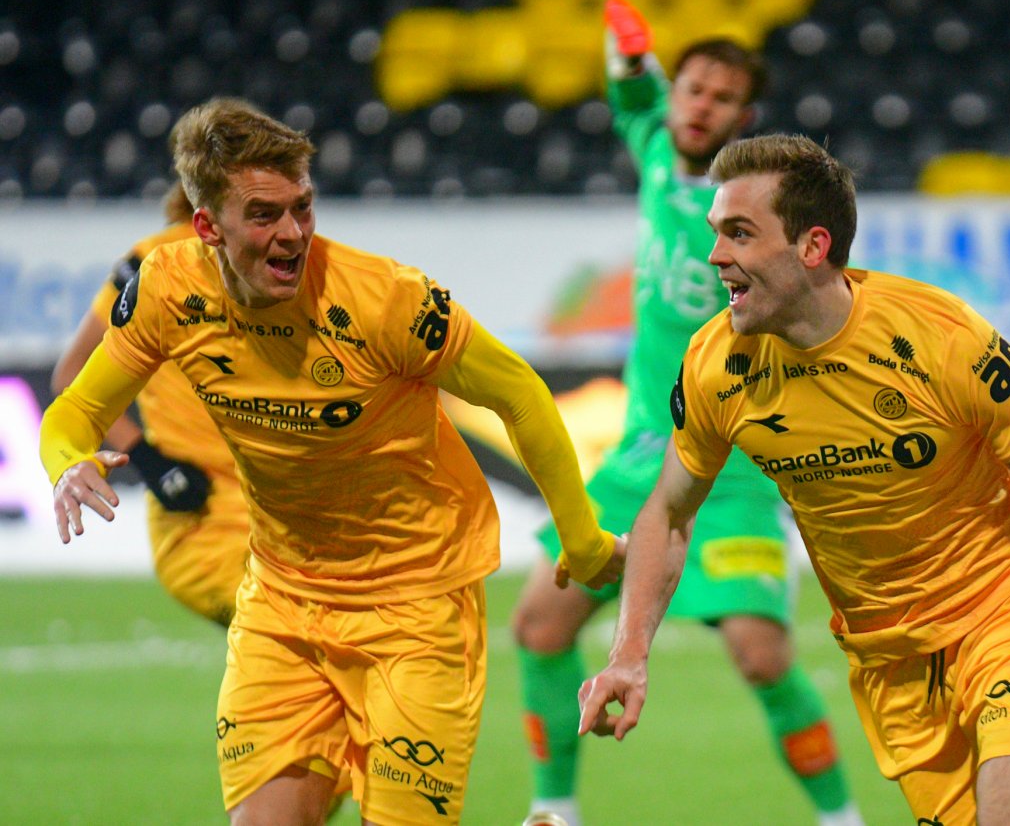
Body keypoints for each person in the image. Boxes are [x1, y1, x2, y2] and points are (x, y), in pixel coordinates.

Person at [40, 98, 624, 825]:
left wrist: (583, 538)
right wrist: (67, 461)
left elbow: (523, 397)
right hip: (284, 603)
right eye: (264, 215)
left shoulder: (388, 301)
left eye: (302, 208)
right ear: (205, 227)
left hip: (416, 604)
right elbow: (73, 408)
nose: (291, 235)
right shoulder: (165, 287)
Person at [575, 134, 1010, 825]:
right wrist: (628, 655)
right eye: (717, 233)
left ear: (812, 247)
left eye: (740, 234)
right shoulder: (718, 366)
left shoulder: (941, 339)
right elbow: (668, 513)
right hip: (890, 654)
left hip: (1007, 607)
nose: (715, 256)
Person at [510, 0, 861, 826]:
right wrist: (629, 55)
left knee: (760, 651)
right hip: (640, 453)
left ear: (745, 117)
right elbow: (633, 94)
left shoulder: (766, 202)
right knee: (539, 623)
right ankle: (555, 809)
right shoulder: (658, 150)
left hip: (734, 463)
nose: (698, 106)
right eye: (691, 89)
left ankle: (841, 818)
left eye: (718, 97)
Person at [50, 184, 249, 626]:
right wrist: (148, 460)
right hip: (205, 519)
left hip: (281, 511)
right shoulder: (156, 263)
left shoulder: (276, 267)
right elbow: (72, 376)